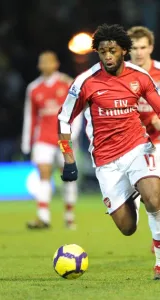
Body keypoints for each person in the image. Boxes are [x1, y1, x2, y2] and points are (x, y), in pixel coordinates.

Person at [58, 24, 160, 280]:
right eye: (102, 52)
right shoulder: (86, 82)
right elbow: (63, 119)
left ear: (123, 50)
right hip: (106, 161)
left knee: (155, 198)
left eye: (112, 50)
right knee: (127, 227)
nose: (107, 56)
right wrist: (69, 158)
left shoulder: (140, 77)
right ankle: (134, 191)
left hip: (138, 147)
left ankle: (159, 263)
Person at [21, 51, 82, 230]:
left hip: (65, 137)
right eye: (42, 62)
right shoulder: (33, 88)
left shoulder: (67, 83)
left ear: (56, 64)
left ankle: (69, 216)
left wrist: (73, 134)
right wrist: (27, 142)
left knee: (68, 178)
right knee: (44, 174)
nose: (45, 65)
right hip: (43, 138)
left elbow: (76, 110)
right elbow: (30, 116)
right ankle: (43, 217)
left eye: (49, 62)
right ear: (39, 66)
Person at [128, 26, 160, 254]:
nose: (138, 52)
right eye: (133, 48)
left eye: (142, 47)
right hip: (134, 144)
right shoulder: (122, 75)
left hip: (158, 140)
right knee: (151, 196)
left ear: (150, 47)